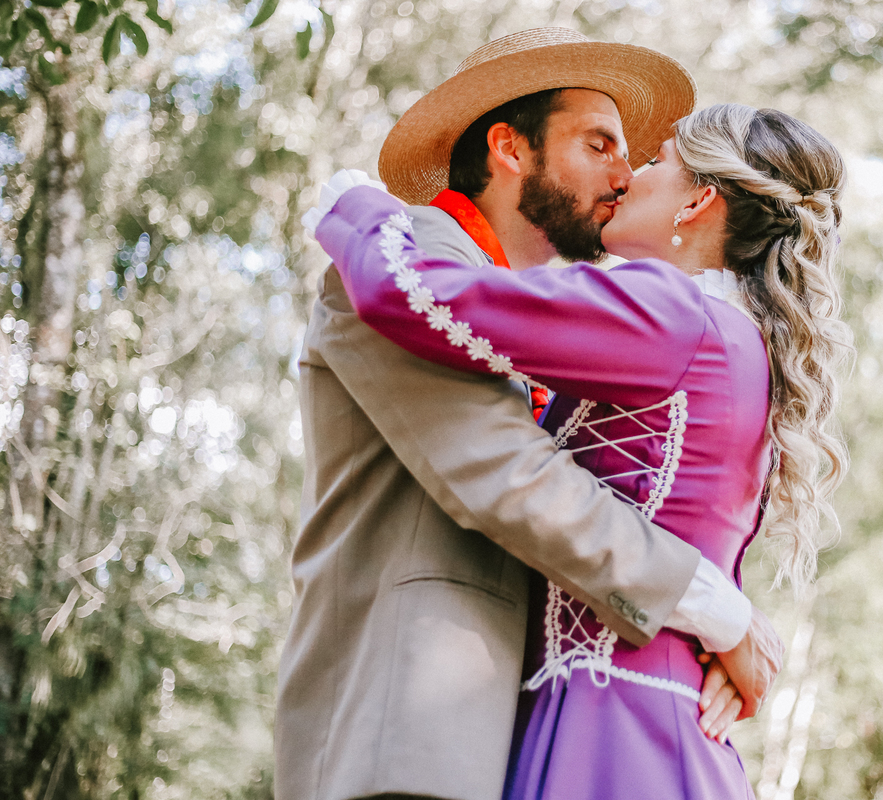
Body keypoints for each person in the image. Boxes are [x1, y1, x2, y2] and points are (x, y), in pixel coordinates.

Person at [278, 29, 783, 800]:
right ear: (511, 148)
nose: (623, 174)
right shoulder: (400, 254)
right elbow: (511, 478)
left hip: (506, 739)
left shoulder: (536, 320)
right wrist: (720, 615)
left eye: (635, 156)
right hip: (401, 741)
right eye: (600, 144)